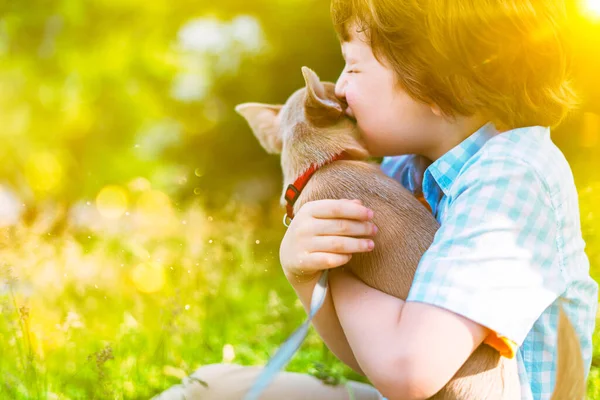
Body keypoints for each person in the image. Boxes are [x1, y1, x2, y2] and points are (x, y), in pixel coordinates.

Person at [154, 1, 598, 399]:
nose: (341, 88)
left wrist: (340, 273)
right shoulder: (410, 169)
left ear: (434, 77)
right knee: (210, 388)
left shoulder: (514, 175)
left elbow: (408, 372)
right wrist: (307, 277)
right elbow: (370, 355)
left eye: (354, 67)